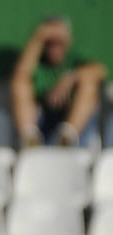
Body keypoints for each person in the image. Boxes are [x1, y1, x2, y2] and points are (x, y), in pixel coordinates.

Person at [10, 16, 106, 148]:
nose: (55, 48)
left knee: (89, 85)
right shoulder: (36, 62)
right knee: (19, 84)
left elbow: (100, 71)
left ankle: (66, 139)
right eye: (50, 42)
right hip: (41, 123)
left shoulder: (76, 58)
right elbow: (20, 75)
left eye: (59, 42)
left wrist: (71, 77)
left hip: (75, 129)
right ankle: (29, 140)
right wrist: (39, 37)